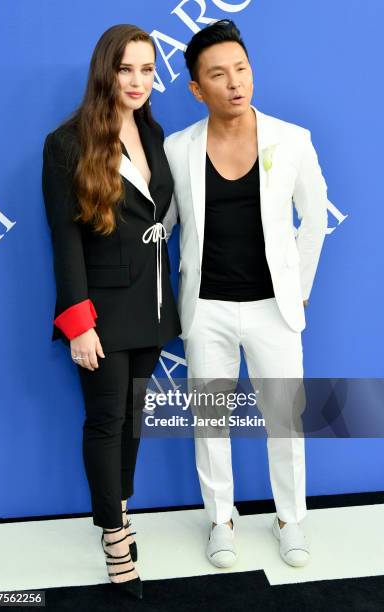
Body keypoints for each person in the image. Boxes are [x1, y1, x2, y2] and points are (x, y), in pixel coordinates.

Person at [163, 20, 328, 568]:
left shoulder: (292, 139)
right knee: (211, 422)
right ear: (196, 88)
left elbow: (314, 220)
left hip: (273, 308)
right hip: (205, 307)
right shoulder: (176, 148)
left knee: (286, 419)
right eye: (218, 74)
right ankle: (221, 520)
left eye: (241, 69)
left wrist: (299, 290)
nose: (234, 82)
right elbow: (160, 227)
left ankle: (291, 520)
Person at [42, 24, 181, 599]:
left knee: (134, 417)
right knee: (106, 422)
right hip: (98, 310)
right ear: (106, 70)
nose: (138, 81)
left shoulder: (155, 132)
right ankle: (115, 536)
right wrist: (78, 322)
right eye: (127, 68)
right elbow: (64, 238)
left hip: (150, 306)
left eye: (148, 70)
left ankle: (117, 505)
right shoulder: (67, 142)